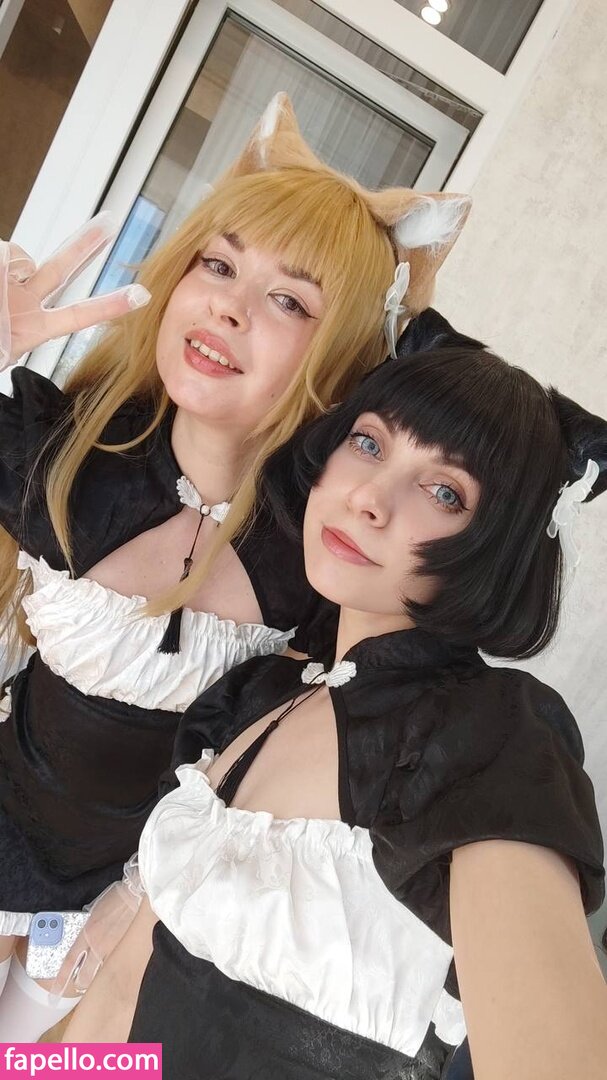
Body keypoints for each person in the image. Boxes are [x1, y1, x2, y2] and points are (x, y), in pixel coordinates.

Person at [0, 93, 471, 1038]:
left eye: (289, 299)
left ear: (341, 355)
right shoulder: (65, 460)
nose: (228, 304)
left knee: (58, 1070)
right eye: (217, 264)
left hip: (130, 921)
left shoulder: (326, 561)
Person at [65, 334, 607, 1078]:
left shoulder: (489, 735)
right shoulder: (257, 697)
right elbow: (117, 997)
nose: (369, 498)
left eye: (444, 492)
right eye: (368, 443)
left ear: (494, 549)